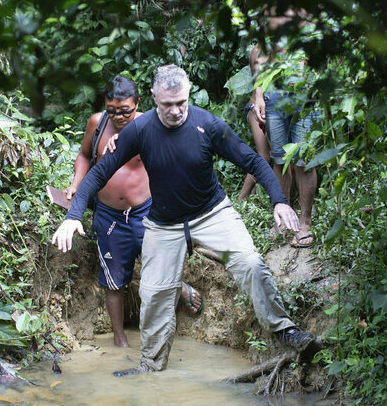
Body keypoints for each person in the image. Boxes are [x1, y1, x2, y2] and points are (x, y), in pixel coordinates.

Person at [53, 65, 314, 376]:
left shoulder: (208, 124)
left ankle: (284, 330)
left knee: (251, 263)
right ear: (153, 98)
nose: (176, 111)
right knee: (153, 295)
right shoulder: (140, 130)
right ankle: (150, 367)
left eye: (182, 103)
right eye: (167, 105)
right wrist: (72, 216)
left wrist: (280, 201)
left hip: (212, 213)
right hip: (164, 224)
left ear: (188, 96)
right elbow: (98, 171)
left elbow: (252, 160)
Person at [64, 75, 202, 348]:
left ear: (137, 104)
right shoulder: (97, 123)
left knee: (161, 265)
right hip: (108, 214)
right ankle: (120, 341)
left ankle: (180, 287)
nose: (118, 116)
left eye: (125, 111)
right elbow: (83, 155)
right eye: (112, 110)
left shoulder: (152, 123)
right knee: (113, 280)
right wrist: (75, 182)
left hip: (147, 210)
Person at [249, 6, 318, 247]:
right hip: (274, 98)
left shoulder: (303, 7)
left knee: (303, 162)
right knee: (280, 160)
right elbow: (260, 55)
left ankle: (305, 221)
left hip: (304, 97)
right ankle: (283, 216)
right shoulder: (268, 6)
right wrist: (258, 96)